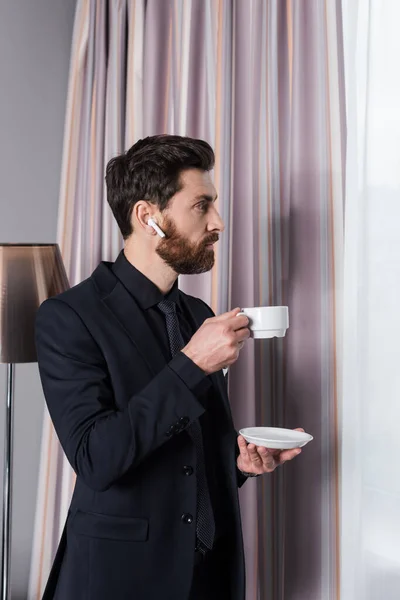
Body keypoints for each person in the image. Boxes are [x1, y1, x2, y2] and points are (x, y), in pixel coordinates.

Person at [36, 135, 303, 600]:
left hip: (207, 575)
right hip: (119, 578)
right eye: (202, 205)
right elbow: (96, 458)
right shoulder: (69, 317)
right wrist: (192, 363)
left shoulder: (198, 315)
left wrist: (238, 463)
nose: (218, 222)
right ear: (148, 217)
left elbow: (188, 451)